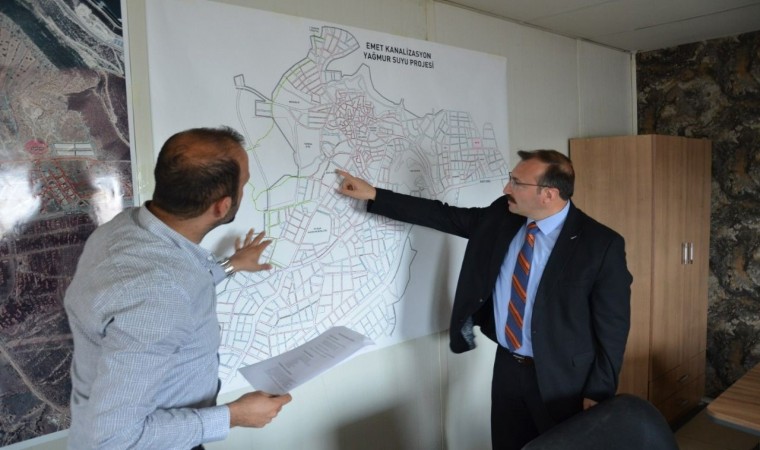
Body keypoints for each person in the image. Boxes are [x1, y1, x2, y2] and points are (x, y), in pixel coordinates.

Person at [336, 149, 632, 450]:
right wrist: (374, 194)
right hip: (507, 367)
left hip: (564, 379)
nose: (506, 189)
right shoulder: (502, 216)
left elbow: (613, 327)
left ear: (549, 194)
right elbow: (445, 215)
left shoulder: (600, 245)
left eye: (516, 183)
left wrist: (599, 391)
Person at [64, 127, 292, 449]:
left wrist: (230, 266)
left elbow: (165, 283)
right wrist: (235, 415)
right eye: (244, 185)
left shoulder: (127, 228)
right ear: (222, 206)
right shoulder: (159, 296)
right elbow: (113, 440)